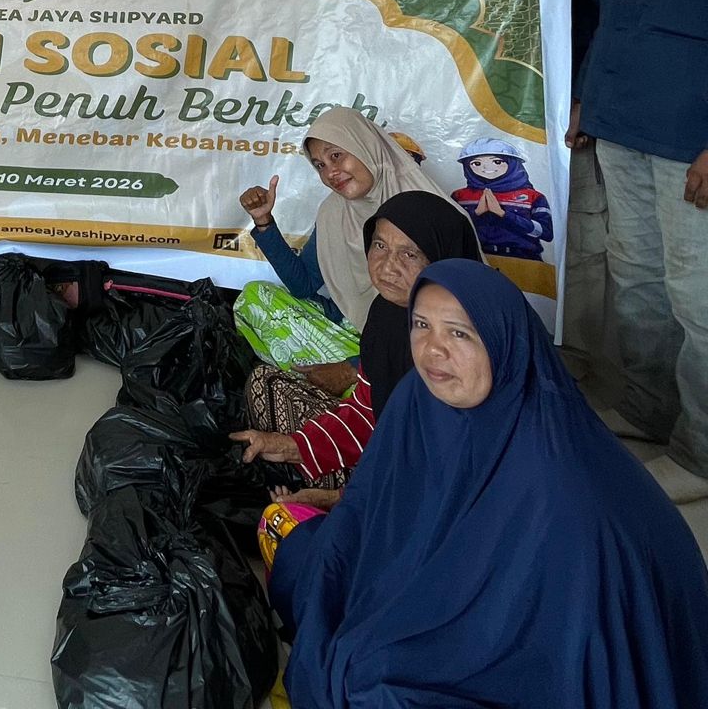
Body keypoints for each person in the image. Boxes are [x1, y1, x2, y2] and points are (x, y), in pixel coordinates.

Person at [266, 260, 708, 709]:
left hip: (514, 633)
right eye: (421, 325)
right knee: (302, 553)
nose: (433, 350)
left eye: (459, 333)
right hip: (437, 575)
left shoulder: (559, 481)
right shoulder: (417, 400)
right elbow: (373, 503)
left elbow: (557, 641)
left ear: (503, 341)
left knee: (376, 678)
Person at [384, 0, 629, 380]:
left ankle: (569, 364)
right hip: (482, 85)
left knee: (568, 230)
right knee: (477, 208)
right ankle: (483, 336)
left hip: (563, 97)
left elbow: (625, 12)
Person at [561, 0, 708, 503]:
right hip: (620, 126)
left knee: (697, 299)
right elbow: (617, 18)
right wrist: (588, 102)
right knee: (639, 282)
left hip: (690, 145)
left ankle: (701, 454)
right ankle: (649, 414)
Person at [232, 191, 480, 500]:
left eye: (410, 254)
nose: (387, 267)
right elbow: (369, 411)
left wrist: (341, 500)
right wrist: (293, 447)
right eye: (379, 246)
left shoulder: (468, 338)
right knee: (265, 380)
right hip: (407, 477)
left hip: (469, 499)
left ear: (443, 255)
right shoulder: (389, 314)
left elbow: (449, 461)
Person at [233, 107, 450, 373]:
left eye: (336, 156)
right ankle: (351, 381)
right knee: (254, 298)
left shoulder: (427, 210)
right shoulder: (333, 212)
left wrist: (353, 367)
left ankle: (364, 380)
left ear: (366, 147)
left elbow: (454, 317)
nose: (330, 173)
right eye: (320, 165)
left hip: (412, 343)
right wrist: (264, 221)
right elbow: (303, 285)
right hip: (350, 330)